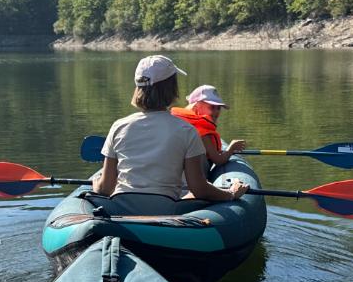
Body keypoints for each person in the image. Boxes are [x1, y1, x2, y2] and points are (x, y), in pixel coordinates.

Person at [92, 56, 249, 204]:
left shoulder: (118, 126)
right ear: (171, 88)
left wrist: (95, 183)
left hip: (122, 207)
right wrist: (231, 194)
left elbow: (105, 188)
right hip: (165, 210)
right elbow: (200, 189)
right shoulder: (187, 131)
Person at [171, 85, 246, 170]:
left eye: (218, 108)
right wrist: (231, 148)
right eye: (212, 107)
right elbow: (218, 160)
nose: (216, 112)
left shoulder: (179, 123)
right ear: (196, 106)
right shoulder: (202, 134)